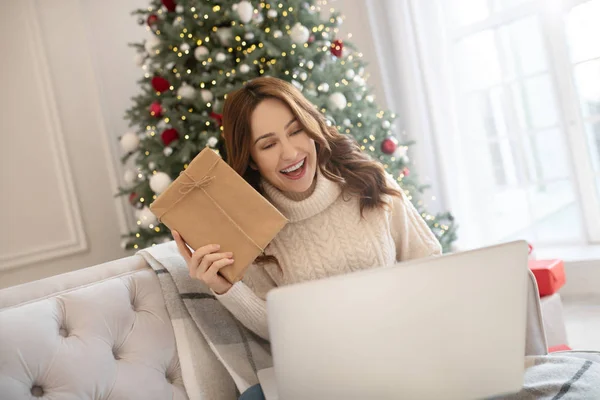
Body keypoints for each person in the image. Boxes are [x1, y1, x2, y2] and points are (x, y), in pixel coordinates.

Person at [172, 76, 442, 400]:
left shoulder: (370, 182)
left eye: (296, 130)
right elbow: (277, 328)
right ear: (252, 159)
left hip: (400, 354)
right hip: (325, 379)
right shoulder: (250, 229)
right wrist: (224, 287)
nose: (290, 153)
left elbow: (429, 263)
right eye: (268, 144)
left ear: (312, 126)